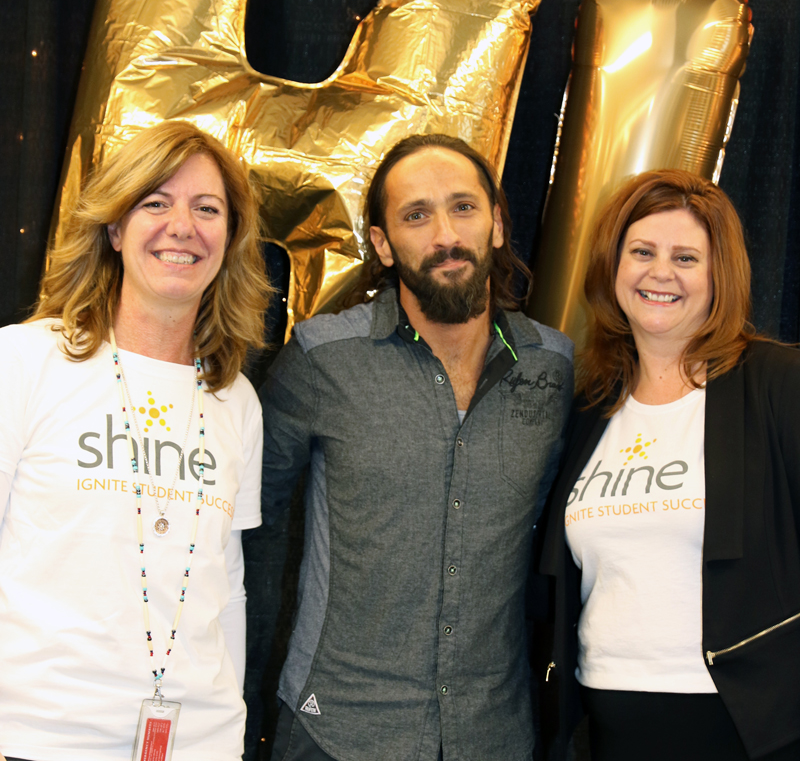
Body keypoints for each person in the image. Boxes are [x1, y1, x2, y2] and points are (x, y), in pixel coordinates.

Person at [259, 134, 573, 761]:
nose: (445, 235)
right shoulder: (323, 359)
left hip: (495, 735)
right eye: (416, 215)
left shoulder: (555, 367)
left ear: (498, 224)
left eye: (463, 208)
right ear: (381, 243)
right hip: (336, 732)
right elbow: (250, 531)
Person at [0, 121, 272, 761]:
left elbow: (226, 586)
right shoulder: (27, 361)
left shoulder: (236, 401)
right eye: (155, 202)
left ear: (229, 239)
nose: (183, 226)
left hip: (197, 744)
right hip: (40, 738)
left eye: (207, 209)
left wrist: (227, 737)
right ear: (115, 230)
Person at [537, 169, 800, 761]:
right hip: (608, 724)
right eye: (642, 252)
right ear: (614, 266)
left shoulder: (777, 385)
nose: (661, 273)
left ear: (718, 275)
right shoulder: (590, 407)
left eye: (686, 257)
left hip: (747, 730)